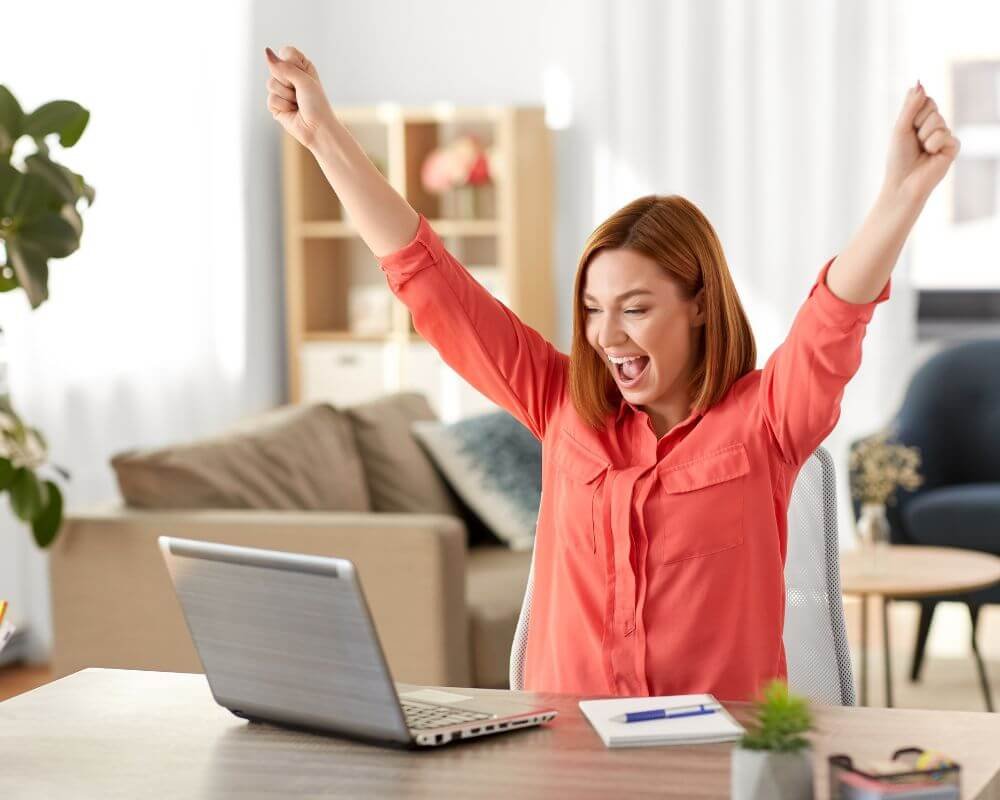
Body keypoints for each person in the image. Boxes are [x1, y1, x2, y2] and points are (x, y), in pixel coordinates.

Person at [264, 45, 959, 701]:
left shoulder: (767, 422)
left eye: (634, 308)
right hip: (565, 759)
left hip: (709, 762)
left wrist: (902, 194)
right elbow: (429, 281)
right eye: (594, 310)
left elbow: (834, 316)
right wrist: (323, 135)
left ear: (698, 306)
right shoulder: (559, 403)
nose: (607, 336)